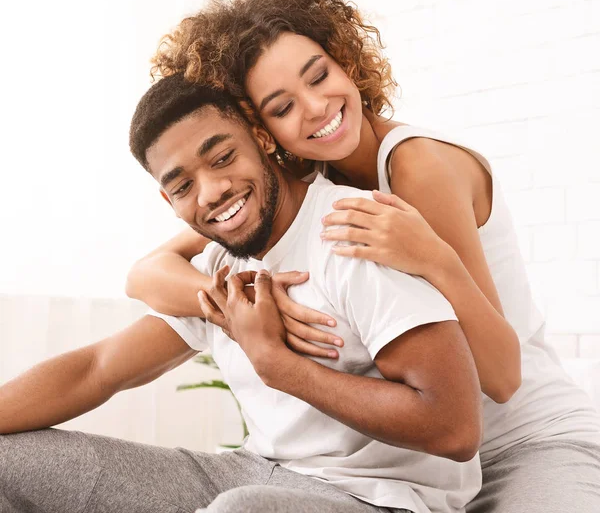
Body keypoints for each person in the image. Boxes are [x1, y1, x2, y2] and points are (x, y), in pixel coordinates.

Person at [128, 0, 600, 512]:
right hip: (432, 474)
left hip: (529, 441)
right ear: (260, 131)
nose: (315, 108)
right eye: (282, 107)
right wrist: (235, 307)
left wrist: (435, 260)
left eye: (319, 75)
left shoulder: (415, 166)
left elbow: (503, 377)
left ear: (346, 60)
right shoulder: (314, 189)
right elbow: (144, 274)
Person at [0, 76, 483, 513]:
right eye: (184, 184)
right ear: (169, 201)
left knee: (242, 510)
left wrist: (281, 366)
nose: (211, 191)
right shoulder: (220, 264)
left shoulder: (352, 231)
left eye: (223, 157)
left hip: (382, 498)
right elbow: (98, 369)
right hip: (257, 473)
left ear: (262, 139)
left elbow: (456, 427)